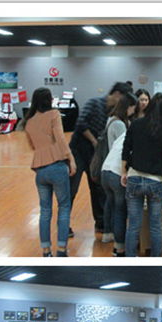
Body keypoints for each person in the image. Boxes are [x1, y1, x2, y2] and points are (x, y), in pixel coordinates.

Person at [69, 82, 132, 235]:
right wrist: (94, 141)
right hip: (78, 151)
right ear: (117, 94)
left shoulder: (114, 112)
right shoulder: (94, 103)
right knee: (71, 189)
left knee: (97, 188)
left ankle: (101, 223)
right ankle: (64, 225)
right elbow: (81, 123)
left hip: (95, 155)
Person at [23, 87, 77, 257]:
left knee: (45, 211)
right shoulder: (54, 114)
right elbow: (61, 139)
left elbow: (32, 146)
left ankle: (46, 251)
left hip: (40, 170)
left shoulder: (29, 121)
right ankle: (61, 250)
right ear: (49, 100)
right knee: (64, 207)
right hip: (57, 166)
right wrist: (71, 159)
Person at [121, 93, 162, 257]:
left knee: (133, 225)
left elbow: (126, 148)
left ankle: (130, 258)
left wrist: (124, 172)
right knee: (155, 226)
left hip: (134, 177)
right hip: (156, 181)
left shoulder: (136, 124)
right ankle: (155, 260)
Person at [100, 92, 138, 252]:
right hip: (116, 171)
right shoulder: (122, 126)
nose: (133, 111)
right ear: (128, 107)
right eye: (133, 107)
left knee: (110, 204)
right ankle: (119, 246)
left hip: (105, 169)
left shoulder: (111, 119)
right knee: (120, 211)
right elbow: (126, 153)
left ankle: (107, 233)